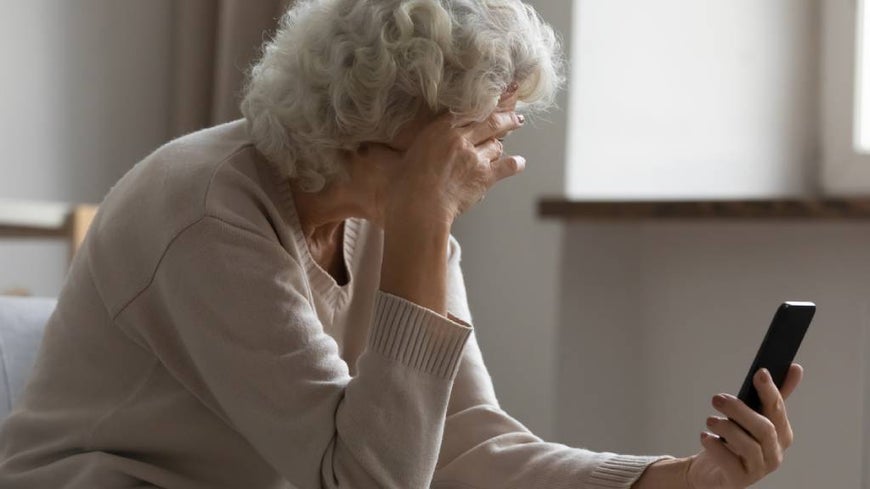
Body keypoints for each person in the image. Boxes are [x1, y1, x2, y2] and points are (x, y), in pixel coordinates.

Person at [0, 0, 803, 487]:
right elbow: (373, 480)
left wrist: (676, 479)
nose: (490, 163)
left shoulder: (393, 218)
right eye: (475, 134)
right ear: (383, 121)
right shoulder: (210, 212)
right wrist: (426, 223)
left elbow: (462, 445)